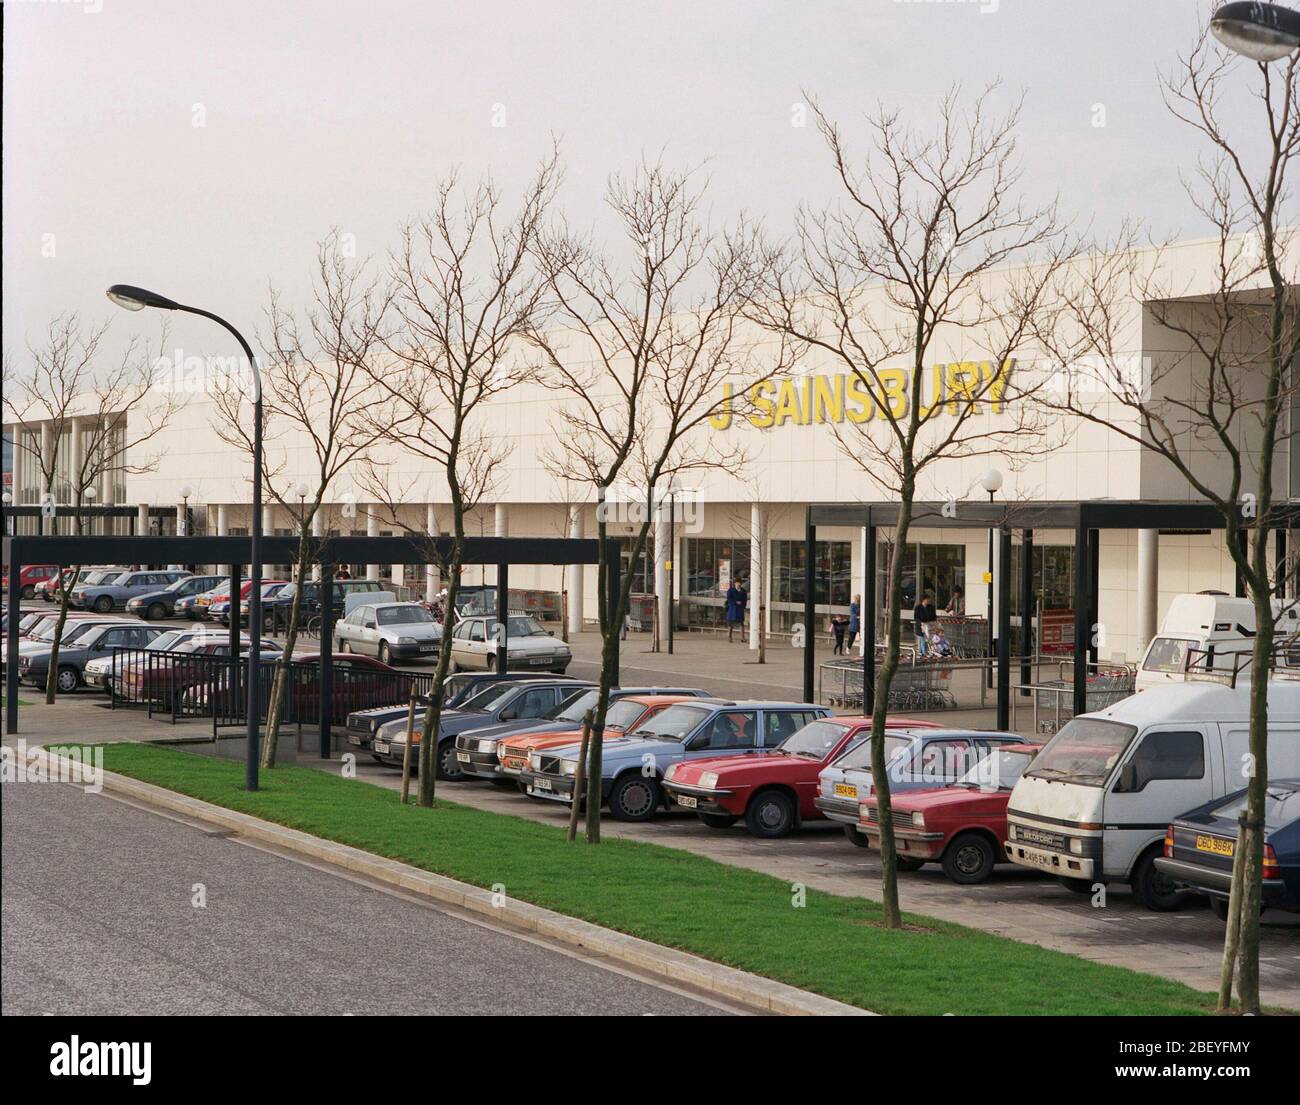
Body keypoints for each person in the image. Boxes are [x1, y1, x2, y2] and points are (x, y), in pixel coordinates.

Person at [913, 591, 937, 657]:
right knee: (922, 640)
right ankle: (922, 653)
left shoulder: (931, 607)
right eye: (927, 599)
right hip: (921, 626)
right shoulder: (918, 608)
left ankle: (923, 653)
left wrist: (931, 622)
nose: (928, 600)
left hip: (928, 626)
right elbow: (916, 617)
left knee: (925, 640)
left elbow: (934, 617)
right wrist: (921, 623)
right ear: (923, 600)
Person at [725, 578, 748, 642]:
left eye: (739, 583)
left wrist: (743, 606)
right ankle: (729, 637)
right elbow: (729, 599)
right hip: (732, 609)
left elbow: (745, 600)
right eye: (737, 583)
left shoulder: (743, 591)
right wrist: (735, 602)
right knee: (730, 623)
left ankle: (742, 638)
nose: (738, 584)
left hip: (740, 609)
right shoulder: (730, 590)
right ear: (735, 583)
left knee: (741, 623)